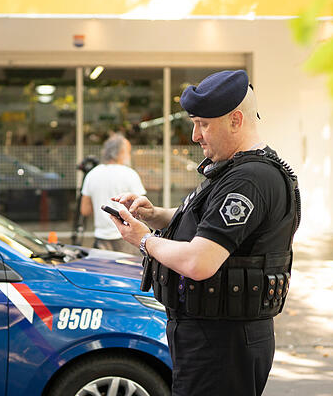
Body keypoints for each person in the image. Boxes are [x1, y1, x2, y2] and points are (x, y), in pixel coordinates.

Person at [110, 70, 300, 396]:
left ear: (236, 121)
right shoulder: (240, 169)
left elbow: (201, 262)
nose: (196, 136)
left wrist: (143, 239)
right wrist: (154, 215)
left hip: (220, 343)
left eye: (204, 124)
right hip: (217, 337)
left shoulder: (248, 179)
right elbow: (211, 227)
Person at [80, 133, 146, 255]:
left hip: (101, 239)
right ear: (121, 152)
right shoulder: (130, 174)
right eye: (128, 151)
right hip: (127, 238)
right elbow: (141, 208)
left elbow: (85, 210)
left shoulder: (92, 174)